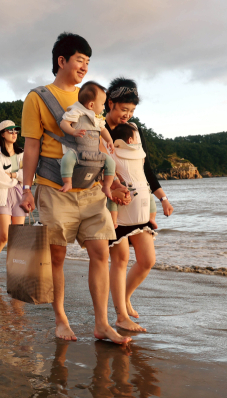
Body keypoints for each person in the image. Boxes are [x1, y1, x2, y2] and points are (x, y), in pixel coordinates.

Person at [19, 32, 131, 344]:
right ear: (62, 61)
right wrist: (25, 189)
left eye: (88, 62)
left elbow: (100, 145)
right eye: (80, 60)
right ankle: (61, 318)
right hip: (56, 187)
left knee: (101, 253)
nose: (84, 67)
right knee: (56, 257)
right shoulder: (38, 98)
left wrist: (117, 182)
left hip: (93, 189)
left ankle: (101, 324)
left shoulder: (90, 97)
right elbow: (30, 147)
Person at [104, 78, 173, 332]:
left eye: (131, 111)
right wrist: (113, 190)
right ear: (110, 103)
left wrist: (162, 198)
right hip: (111, 203)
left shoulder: (133, 129)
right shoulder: (99, 130)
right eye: (124, 110)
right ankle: (121, 316)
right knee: (120, 258)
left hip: (139, 203)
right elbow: (98, 169)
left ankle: (125, 297)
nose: (127, 115)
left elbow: (144, 167)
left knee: (147, 259)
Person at [59, 81, 116, 195]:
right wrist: (73, 131)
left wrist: (109, 140)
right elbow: (63, 123)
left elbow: (103, 129)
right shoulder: (77, 112)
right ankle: (67, 182)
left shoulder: (97, 118)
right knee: (67, 159)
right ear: (91, 105)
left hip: (95, 152)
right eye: (102, 104)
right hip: (78, 150)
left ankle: (107, 186)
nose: (103, 108)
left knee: (111, 163)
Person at [0, 120, 26, 273]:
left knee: (17, 236)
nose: (14, 133)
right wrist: (17, 176)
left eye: (16, 131)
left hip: (19, 193)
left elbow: (28, 174)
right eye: (10, 131)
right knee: (5, 235)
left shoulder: (21, 152)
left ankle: (14, 265)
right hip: (1, 194)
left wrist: (13, 174)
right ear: (3, 133)